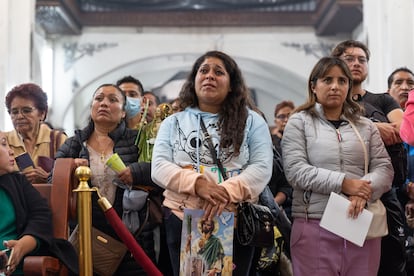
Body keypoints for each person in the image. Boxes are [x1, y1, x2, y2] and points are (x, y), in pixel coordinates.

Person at [151, 50, 274, 276]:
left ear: (231, 84)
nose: (209, 76)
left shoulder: (252, 120)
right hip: (182, 218)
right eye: (203, 71)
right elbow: (159, 167)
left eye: (219, 72)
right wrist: (197, 184)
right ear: (194, 81)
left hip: (236, 219)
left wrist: (225, 192)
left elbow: (262, 167)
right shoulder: (173, 122)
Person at [282, 56, 393, 276]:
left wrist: (363, 190)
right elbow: (296, 170)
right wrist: (344, 184)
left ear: (349, 87)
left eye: (342, 81)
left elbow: (384, 168)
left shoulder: (366, 125)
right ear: (314, 86)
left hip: (360, 221)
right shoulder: (299, 122)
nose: (335, 86)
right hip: (314, 223)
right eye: (327, 80)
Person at [53, 84, 159, 275]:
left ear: (124, 112)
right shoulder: (74, 143)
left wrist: (136, 171)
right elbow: (54, 180)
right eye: (99, 98)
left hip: (131, 236)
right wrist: (70, 166)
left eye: (113, 100)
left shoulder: (137, 140)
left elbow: (159, 173)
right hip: (88, 234)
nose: (104, 104)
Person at [331, 40, 408, 276]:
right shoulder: (331, 102)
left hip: (385, 192)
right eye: (349, 58)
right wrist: (375, 127)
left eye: (361, 59)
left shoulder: (383, 100)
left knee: (391, 261)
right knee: (349, 262)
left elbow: (401, 130)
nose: (356, 63)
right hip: (343, 192)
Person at [0, 131, 77, 275]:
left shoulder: (18, 182)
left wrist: (23, 245)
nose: (11, 151)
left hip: (20, 266)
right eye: (4, 144)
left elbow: (41, 216)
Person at [5, 83, 67, 183]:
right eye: (14, 112)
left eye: (26, 110)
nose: (19, 116)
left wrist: (48, 178)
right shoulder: (4, 142)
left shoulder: (58, 140)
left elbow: (71, 179)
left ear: (42, 113)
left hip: (49, 198)